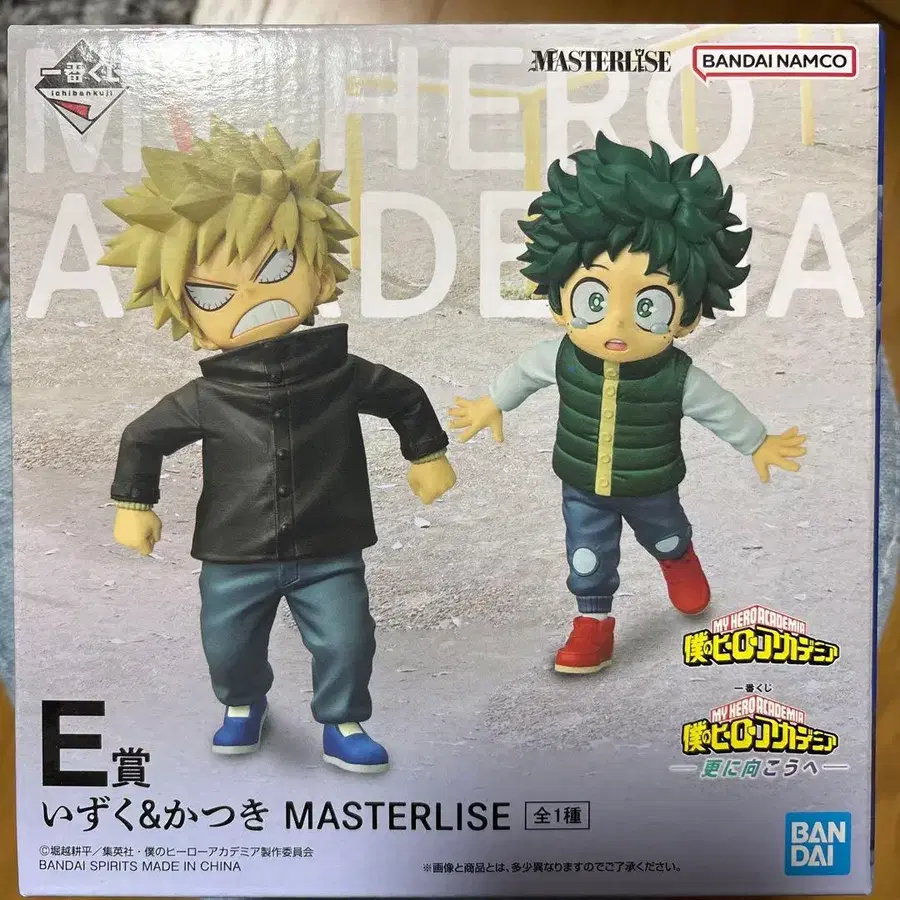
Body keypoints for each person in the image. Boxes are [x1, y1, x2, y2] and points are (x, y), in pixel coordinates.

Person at [101, 118, 457, 773]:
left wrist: (426, 453)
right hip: (234, 553)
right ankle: (242, 705)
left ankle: (344, 720)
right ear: (189, 316)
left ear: (319, 276)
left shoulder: (340, 373)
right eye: (212, 293)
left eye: (276, 267)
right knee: (227, 643)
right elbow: (143, 437)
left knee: (347, 639)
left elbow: (403, 396)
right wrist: (134, 503)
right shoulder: (207, 395)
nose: (251, 296)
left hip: (330, 545)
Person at [450, 131, 805, 676]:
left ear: (686, 318)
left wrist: (757, 442)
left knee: (665, 531)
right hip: (581, 482)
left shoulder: (676, 376)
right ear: (559, 302)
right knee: (586, 554)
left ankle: (678, 558)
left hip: (651, 482)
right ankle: (592, 620)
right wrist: (491, 404)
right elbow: (522, 374)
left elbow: (719, 407)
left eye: (648, 306)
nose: (617, 322)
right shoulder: (561, 357)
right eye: (594, 299)